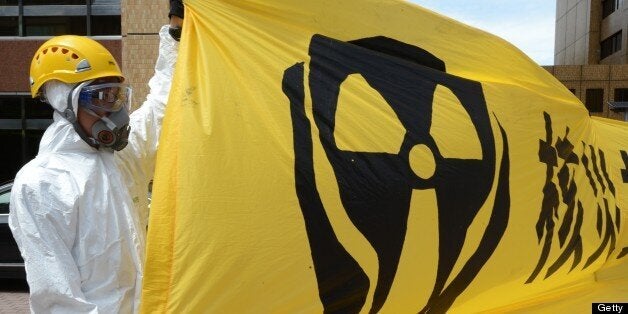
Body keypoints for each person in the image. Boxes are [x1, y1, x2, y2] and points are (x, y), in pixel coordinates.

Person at [8, 3, 185, 313]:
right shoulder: (41, 184)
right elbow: (58, 300)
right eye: (100, 97)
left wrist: (177, 32)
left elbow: (161, 107)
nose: (114, 111)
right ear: (64, 102)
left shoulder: (121, 160)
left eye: (116, 96)